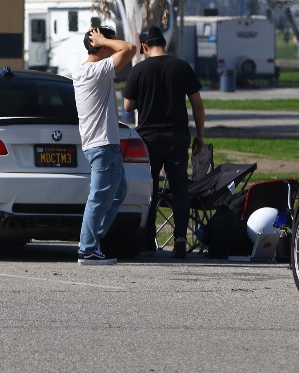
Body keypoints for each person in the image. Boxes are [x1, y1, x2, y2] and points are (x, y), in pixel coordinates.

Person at [123, 25, 205, 259]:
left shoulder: (139, 70)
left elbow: (128, 106)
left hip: (148, 139)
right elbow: (197, 105)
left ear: (145, 46)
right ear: (164, 44)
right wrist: (200, 135)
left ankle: (148, 239)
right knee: (180, 188)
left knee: (150, 189)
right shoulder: (181, 67)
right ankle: (180, 237)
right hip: (177, 137)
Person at [73, 27, 137, 265]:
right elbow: (130, 49)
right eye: (108, 44)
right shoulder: (95, 71)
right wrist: (104, 40)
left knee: (118, 192)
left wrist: (103, 41)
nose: (112, 47)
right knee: (99, 198)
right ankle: (87, 248)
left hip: (101, 144)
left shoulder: (86, 71)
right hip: (103, 145)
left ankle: (93, 241)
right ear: (100, 46)